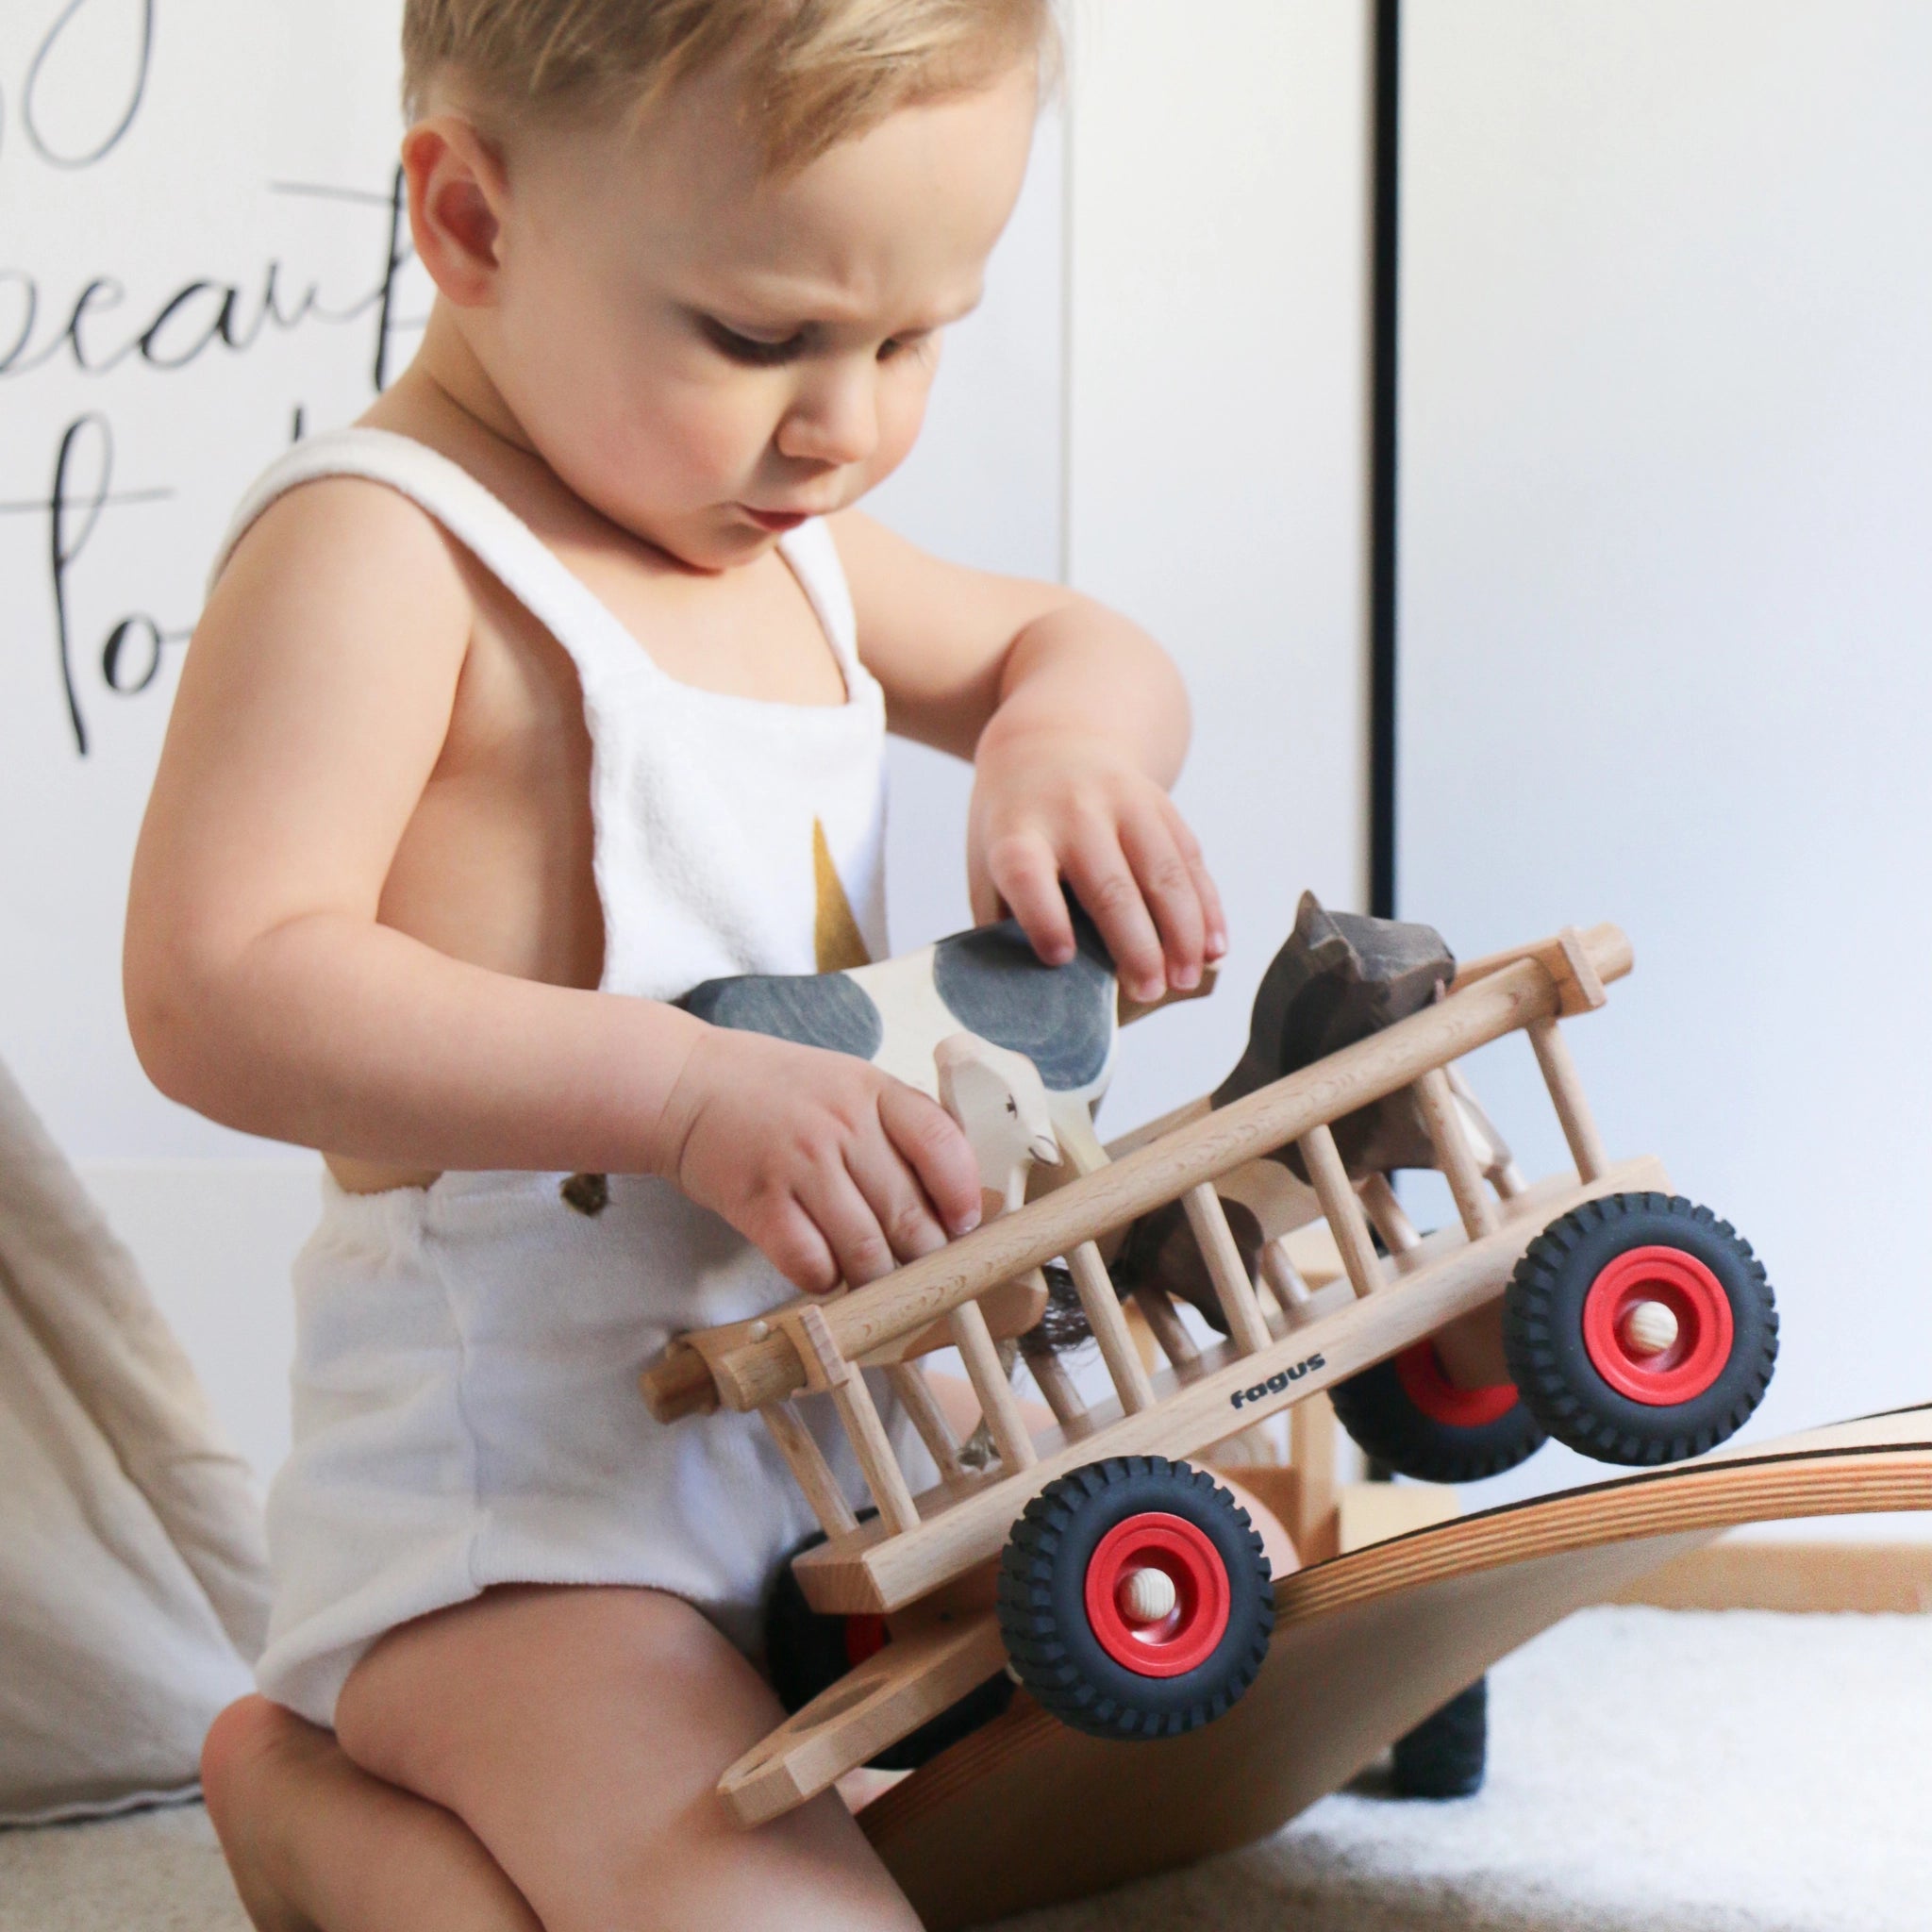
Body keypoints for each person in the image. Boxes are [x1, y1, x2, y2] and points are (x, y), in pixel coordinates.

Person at [125, 4, 1227, 1926]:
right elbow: (216, 983)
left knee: (1176, 1718)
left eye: (912, 337)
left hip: (843, 1425)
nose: (847, 422)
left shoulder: (786, 540)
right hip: (532, 1531)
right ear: (472, 221)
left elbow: (1082, 644)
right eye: (760, 336)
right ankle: (300, 1793)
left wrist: (1067, 745)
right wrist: (679, 1083)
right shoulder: (387, 554)